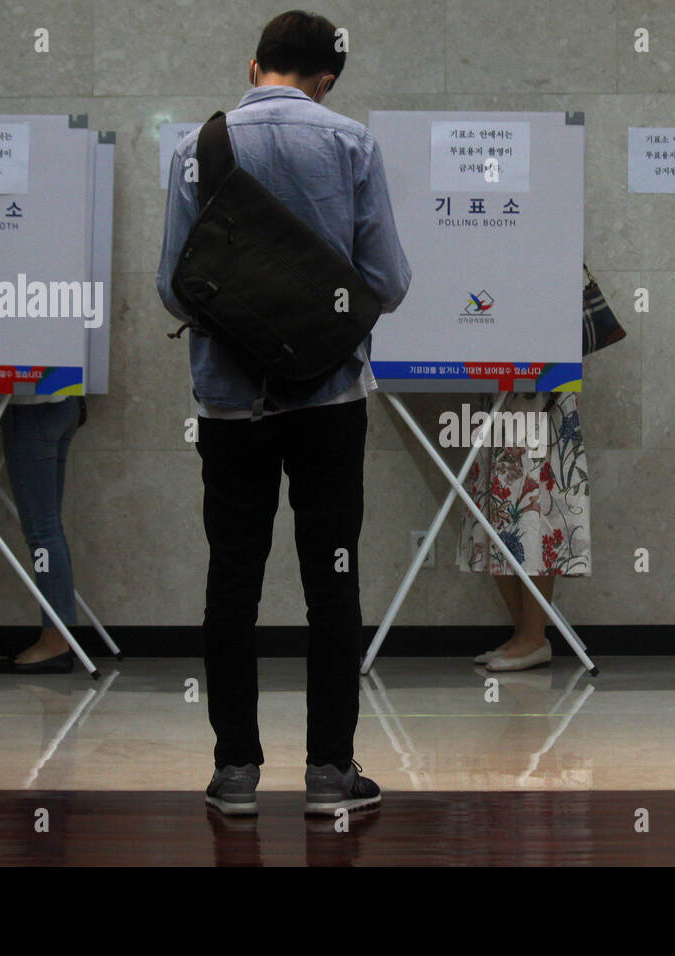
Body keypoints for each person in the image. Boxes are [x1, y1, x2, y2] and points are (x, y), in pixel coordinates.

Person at [155, 11, 410, 816]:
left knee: (232, 580)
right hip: (329, 399)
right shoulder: (351, 143)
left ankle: (235, 774)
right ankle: (330, 771)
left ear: (254, 63)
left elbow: (174, 285)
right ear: (325, 79)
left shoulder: (197, 148)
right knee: (331, 580)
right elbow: (390, 281)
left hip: (230, 405)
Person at [460, 390, 591, 671]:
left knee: (531, 517)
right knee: (498, 514)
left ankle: (533, 637)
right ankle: (523, 634)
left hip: (542, 397)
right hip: (499, 391)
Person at [0, 394, 84, 674]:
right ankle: (58, 635)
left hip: (30, 404)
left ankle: (55, 641)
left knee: (41, 533)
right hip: (65, 401)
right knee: (48, 529)